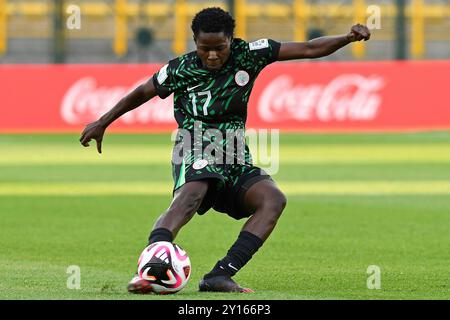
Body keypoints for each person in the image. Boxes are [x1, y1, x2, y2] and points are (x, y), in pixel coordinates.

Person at [79, 7, 370, 293]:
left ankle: (219, 275)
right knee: (192, 192)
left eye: (220, 47)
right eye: (205, 48)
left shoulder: (250, 54)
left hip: (234, 151)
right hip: (193, 143)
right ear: (195, 42)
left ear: (232, 39)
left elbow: (308, 48)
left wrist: (347, 37)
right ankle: (149, 270)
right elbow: (144, 91)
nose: (213, 55)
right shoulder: (181, 68)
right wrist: (103, 122)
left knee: (273, 200)